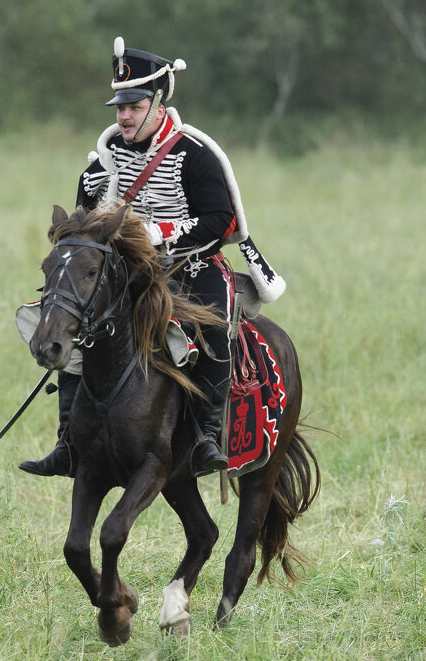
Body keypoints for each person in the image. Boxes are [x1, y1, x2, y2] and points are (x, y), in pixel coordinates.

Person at [19, 37, 285, 479]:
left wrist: (160, 233)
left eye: (134, 106)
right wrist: (88, 202)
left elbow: (221, 220)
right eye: (119, 108)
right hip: (127, 270)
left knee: (214, 329)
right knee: (76, 320)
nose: (123, 116)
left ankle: (205, 435)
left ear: (159, 103)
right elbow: (86, 222)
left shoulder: (193, 155)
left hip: (190, 265)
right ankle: (68, 441)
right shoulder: (105, 157)